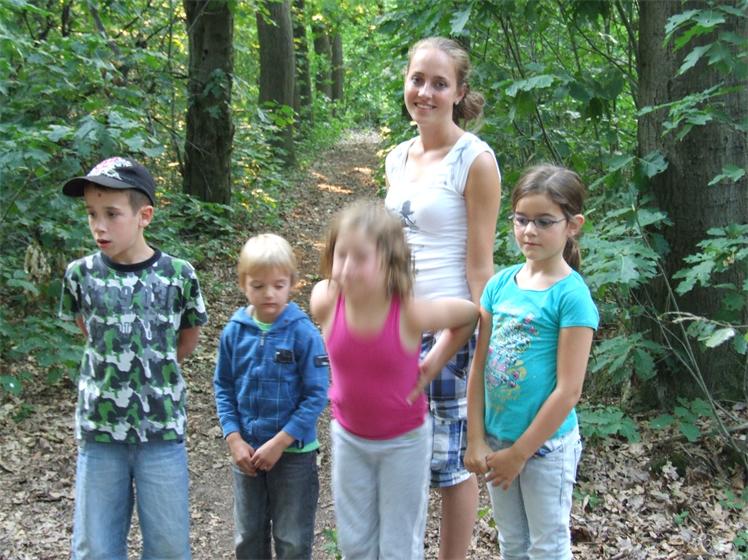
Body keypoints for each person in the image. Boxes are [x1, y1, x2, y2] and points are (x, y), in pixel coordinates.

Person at [384, 36, 502, 559]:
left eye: (439, 83)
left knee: (453, 465)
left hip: (452, 331)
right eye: (417, 80)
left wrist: (482, 349)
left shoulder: (475, 160)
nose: (425, 92)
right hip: (394, 328)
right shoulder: (396, 158)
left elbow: (480, 266)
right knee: (398, 456)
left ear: (458, 92)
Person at [310, 200, 479, 560]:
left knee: (398, 547)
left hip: (404, 443)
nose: (347, 267)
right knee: (355, 543)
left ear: (389, 261)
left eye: (361, 257)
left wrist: (432, 364)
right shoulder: (325, 300)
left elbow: (467, 316)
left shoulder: (408, 312)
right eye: (341, 255)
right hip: (350, 439)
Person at [59, 156, 208, 560]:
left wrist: (153, 368)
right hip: (100, 432)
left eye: (112, 214)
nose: (99, 226)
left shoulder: (179, 275)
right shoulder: (80, 275)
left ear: (144, 216)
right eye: (92, 214)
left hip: (160, 431)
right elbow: (91, 332)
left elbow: (186, 339)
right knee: (96, 547)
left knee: (169, 546)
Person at [464, 165, 599, 560]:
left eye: (544, 221)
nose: (529, 231)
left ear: (572, 225)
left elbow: (569, 390)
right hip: (497, 440)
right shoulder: (499, 285)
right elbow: (479, 366)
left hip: (545, 448)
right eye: (521, 219)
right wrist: (476, 437)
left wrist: (520, 453)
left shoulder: (571, 296)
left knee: (547, 546)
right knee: (512, 543)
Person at [213, 233, 328, 560]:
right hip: (247, 453)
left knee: (292, 539)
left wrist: (281, 441)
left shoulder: (303, 333)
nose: (269, 294)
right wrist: (234, 438)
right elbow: (223, 386)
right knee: (248, 536)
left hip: (293, 454)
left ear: (292, 283)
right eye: (258, 285)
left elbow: (317, 394)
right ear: (243, 284)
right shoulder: (235, 331)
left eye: (278, 285)